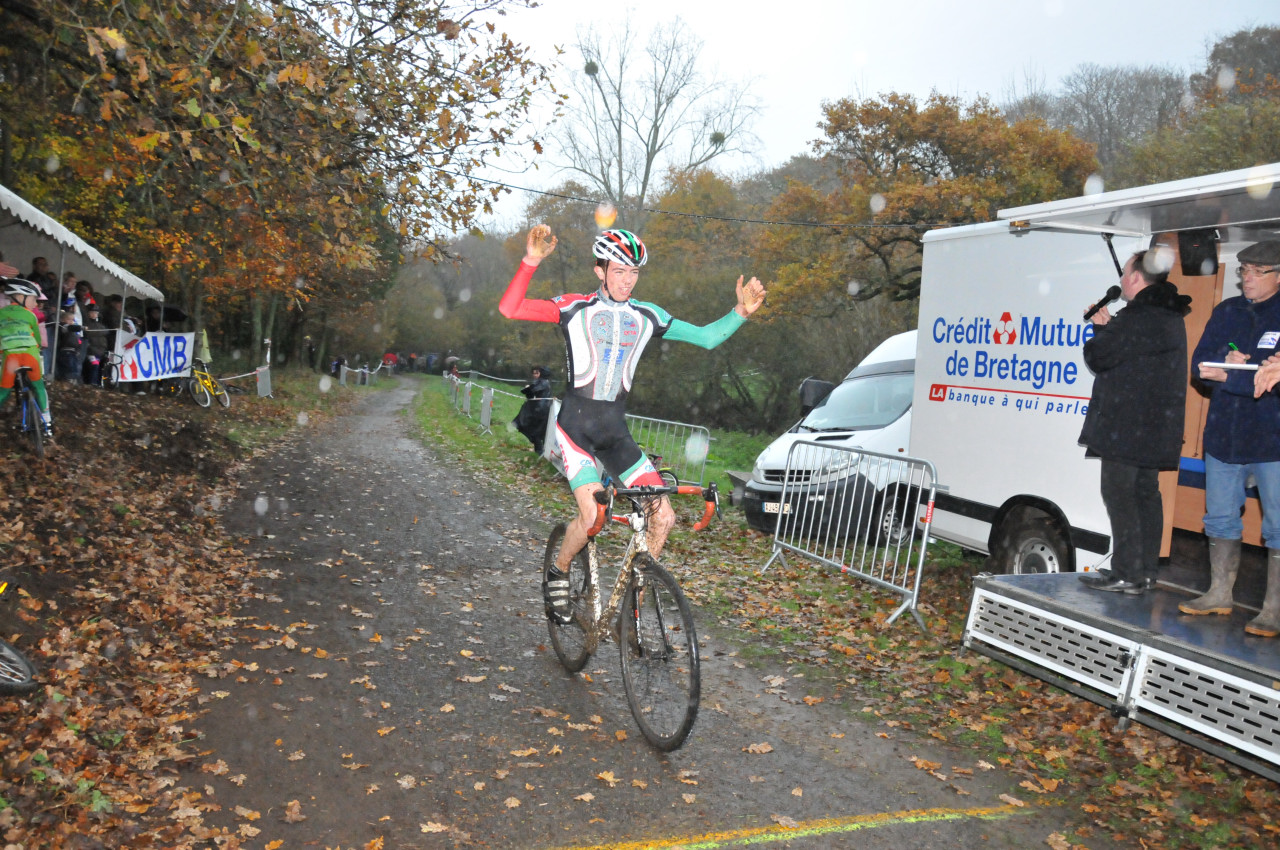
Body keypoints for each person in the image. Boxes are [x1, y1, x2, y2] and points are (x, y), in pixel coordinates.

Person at [499, 225, 765, 619]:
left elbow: (707, 338)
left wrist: (740, 312)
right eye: (619, 270)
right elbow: (511, 308)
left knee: (665, 516)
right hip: (575, 430)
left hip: (614, 434)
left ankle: (632, 613)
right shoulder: (574, 307)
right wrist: (531, 260)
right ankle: (558, 570)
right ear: (600, 270)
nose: (627, 280)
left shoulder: (648, 315)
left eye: (633, 272)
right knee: (593, 517)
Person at [1077, 248, 1191, 594]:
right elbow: (1135, 356)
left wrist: (1102, 330)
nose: (1122, 280)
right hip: (1154, 426)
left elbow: (1100, 356)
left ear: (1137, 278)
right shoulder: (1167, 315)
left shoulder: (1138, 315)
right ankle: (1144, 571)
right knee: (1144, 494)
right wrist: (1112, 327)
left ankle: (1126, 572)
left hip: (1127, 427)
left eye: (1125, 273)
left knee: (1120, 494)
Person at [1190, 240, 1280, 637]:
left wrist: (1234, 377)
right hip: (1224, 434)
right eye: (1244, 269)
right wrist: (1225, 369)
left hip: (1271, 439)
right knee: (1220, 517)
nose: (1246, 277)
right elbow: (1198, 365)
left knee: (1277, 526)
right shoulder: (1226, 311)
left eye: (1257, 271)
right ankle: (1218, 594)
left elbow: (1271, 384)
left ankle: (1272, 611)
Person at [0, 277, 54, 436]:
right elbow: (37, 340)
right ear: (20, 297)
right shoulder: (31, 315)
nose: (36, 304)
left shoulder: (1, 313)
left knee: (3, 391)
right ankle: (47, 422)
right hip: (31, 356)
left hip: (11, 358)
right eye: (33, 299)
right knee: (39, 387)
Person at [514, 365, 553, 454]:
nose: (536, 375)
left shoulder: (543, 382)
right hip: (540, 410)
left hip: (539, 411)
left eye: (538, 372)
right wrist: (528, 389)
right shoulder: (543, 382)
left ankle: (540, 451)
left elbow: (532, 391)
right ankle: (539, 450)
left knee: (536, 430)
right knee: (536, 430)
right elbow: (530, 393)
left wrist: (528, 388)